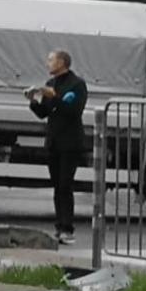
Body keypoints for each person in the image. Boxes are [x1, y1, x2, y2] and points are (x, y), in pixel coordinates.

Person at [27, 49, 89, 242]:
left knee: (65, 184)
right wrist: (33, 102)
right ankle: (59, 225)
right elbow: (44, 113)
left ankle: (67, 228)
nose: (48, 64)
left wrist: (54, 96)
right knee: (56, 185)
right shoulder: (50, 84)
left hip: (70, 142)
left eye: (51, 60)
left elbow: (73, 110)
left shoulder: (77, 84)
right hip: (54, 141)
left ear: (62, 62)